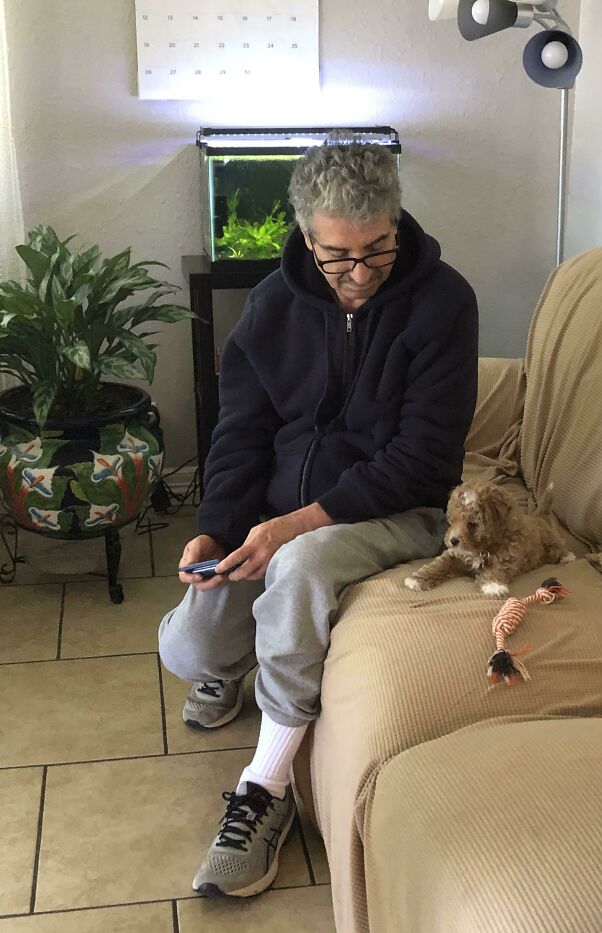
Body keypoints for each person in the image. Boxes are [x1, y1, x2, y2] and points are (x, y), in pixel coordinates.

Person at [158, 138, 479, 899]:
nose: (361, 274)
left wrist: (297, 525)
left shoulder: (445, 303)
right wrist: (217, 525)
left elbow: (424, 460)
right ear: (306, 237)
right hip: (279, 508)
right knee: (191, 645)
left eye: (378, 250)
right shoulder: (271, 306)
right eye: (338, 256)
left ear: (395, 220)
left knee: (298, 568)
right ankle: (229, 663)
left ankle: (263, 789)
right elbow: (240, 431)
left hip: (398, 511)